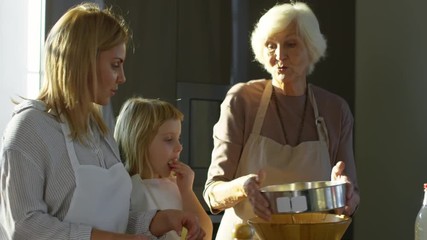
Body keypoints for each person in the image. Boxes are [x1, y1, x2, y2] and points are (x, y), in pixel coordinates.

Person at [0, 3, 205, 240]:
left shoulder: (99, 132)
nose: (122, 77)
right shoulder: (30, 128)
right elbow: (24, 225)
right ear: (82, 60)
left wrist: (163, 219)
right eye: (115, 65)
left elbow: (116, 220)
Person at [203, 2, 360, 239]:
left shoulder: (335, 110)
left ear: (311, 48)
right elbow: (212, 193)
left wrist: (344, 195)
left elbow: (352, 198)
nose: (279, 55)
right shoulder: (242, 100)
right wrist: (242, 188)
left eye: (291, 44)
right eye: (270, 45)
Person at [114, 97, 213, 240]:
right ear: (140, 142)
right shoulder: (128, 189)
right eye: (168, 139)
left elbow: (205, 235)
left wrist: (187, 192)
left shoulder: (177, 186)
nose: (179, 148)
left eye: (179, 138)